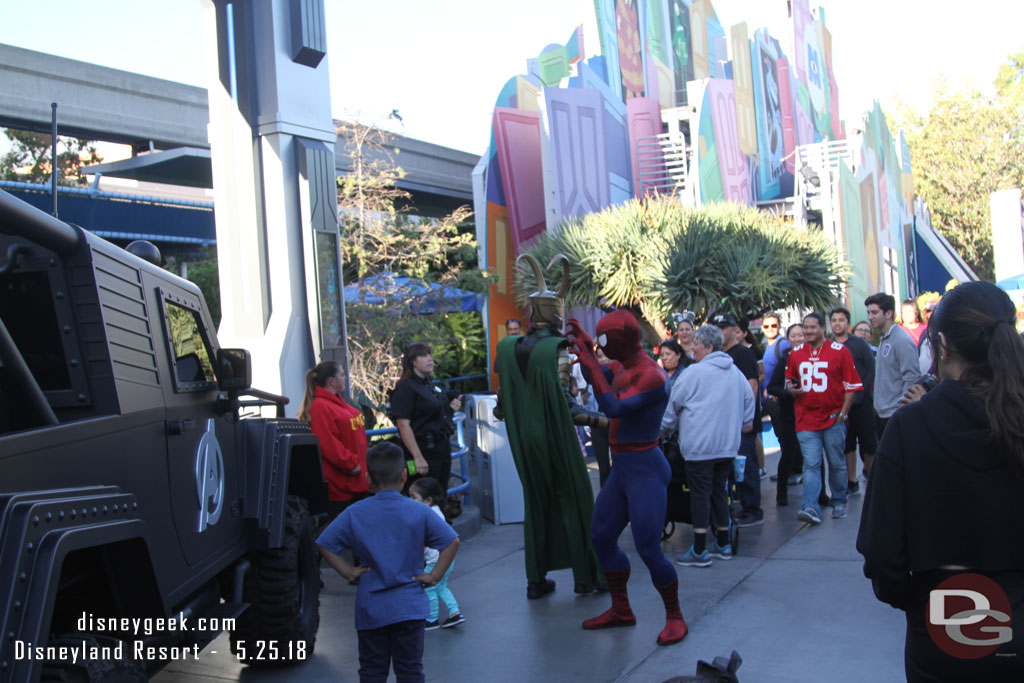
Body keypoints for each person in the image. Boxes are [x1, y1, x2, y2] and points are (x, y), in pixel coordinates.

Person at [857, 281, 1024, 681]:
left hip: (944, 621)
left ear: (942, 345)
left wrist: (916, 600)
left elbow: (881, 551)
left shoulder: (910, 426)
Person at [568, 310, 688, 646]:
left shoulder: (651, 375)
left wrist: (591, 362)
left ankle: (675, 616)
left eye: (605, 340)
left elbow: (615, 407)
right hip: (625, 468)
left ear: (620, 340)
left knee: (649, 548)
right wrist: (590, 353)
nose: (603, 347)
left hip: (644, 469)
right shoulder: (624, 365)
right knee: (602, 537)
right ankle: (622, 609)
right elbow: (603, 376)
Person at [495, 254, 604, 599]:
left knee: (537, 501)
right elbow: (565, 406)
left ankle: (535, 580)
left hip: (522, 440)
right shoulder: (556, 348)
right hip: (554, 438)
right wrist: (604, 421)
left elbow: (502, 406)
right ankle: (586, 578)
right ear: (555, 313)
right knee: (576, 498)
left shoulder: (507, 347)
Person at [317, 443, 460, 683]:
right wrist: (434, 576)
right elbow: (452, 542)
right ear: (404, 474)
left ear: (367, 478)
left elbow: (323, 543)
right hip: (409, 608)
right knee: (410, 671)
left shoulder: (355, 513)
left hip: (371, 608)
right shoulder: (418, 511)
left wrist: (348, 572)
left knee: (372, 671)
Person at [661, 325, 754, 567]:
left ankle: (700, 549)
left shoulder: (693, 374)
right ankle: (723, 543)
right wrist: (743, 422)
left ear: (709, 347)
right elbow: (749, 402)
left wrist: (663, 431)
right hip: (727, 447)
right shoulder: (734, 372)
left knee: (699, 496)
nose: (692, 348)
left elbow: (673, 408)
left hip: (699, 447)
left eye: (696, 344)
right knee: (719, 492)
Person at [785, 312, 862, 525]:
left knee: (836, 462)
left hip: (833, 418)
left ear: (822, 328)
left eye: (812, 327)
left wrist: (843, 412)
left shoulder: (840, 352)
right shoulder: (796, 353)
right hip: (806, 419)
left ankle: (839, 499)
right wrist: (792, 389)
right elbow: (789, 379)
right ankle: (809, 506)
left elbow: (851, 386)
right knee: (811, 463)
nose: (808, 331)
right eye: (805, 327)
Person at [298, 360, 369, 516]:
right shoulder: (320, 407)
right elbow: (328, 444)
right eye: (342, 375)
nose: (345, 378)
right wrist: (351, 464)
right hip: (342, 488)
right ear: (332, 381)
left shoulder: (339, 404)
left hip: (357, 484)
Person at [711, 313, 762, 528]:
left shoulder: (742, 354)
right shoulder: (716, 355)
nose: (722, 332)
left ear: (734, 330)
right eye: (718, 328)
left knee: (746, 465)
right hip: (725, 423)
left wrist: (745, 417)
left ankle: (754, 510)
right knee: (733, 468)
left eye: (725, 327)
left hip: (743, 424)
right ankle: (742, 504)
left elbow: (753, 385)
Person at [390, 343, 462, 492]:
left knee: (440, 496)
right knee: (424, 499)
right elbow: (403, 425)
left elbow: (433, 415)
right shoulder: (405, 388)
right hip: (423, 453)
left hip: (441, 449)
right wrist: (417, 457)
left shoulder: (429, 386)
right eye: (423, 355)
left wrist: (450, 409)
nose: (430, 359)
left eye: (430, 355)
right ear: (412, 362)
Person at [829, 307, 877, 494]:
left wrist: (860, 394)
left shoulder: (859, 344)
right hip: (840, 405)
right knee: (847, 445)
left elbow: (870, 369)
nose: (838, 323)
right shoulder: (828, 346)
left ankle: (872, 477)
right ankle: (851, 482)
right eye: (834, 320)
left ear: (848, 323)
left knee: (869, 444)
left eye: (841, 320)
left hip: (862, 403)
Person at [409, 477, 464, 631]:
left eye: (414, 497)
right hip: (446, 559)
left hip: (436, 560)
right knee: (441, 587)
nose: (410, 500)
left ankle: (431, 619)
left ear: (428, 500)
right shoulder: (435, 512)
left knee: (429, 587)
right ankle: (455, 612)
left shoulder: (429, 515)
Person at [866, 293, 921, 439]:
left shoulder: (901, 340)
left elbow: (912, 377)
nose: (870, 317)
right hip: (882, 413)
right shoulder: (885, 338)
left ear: (889, 313)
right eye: (869, 313)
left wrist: (902, 409)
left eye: (875, 312)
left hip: (894, 414)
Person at [766, 324, 805, 505]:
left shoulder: (815, 357)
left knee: (815, 457)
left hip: (811, 413)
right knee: (788, 453)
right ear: (788, 339)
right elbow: (772, 386)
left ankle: (821, 495)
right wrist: (787, 393)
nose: (798, 339)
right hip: (789, 413)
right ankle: (781, 494)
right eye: (794, 336)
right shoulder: (785, 360)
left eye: (801, 335)